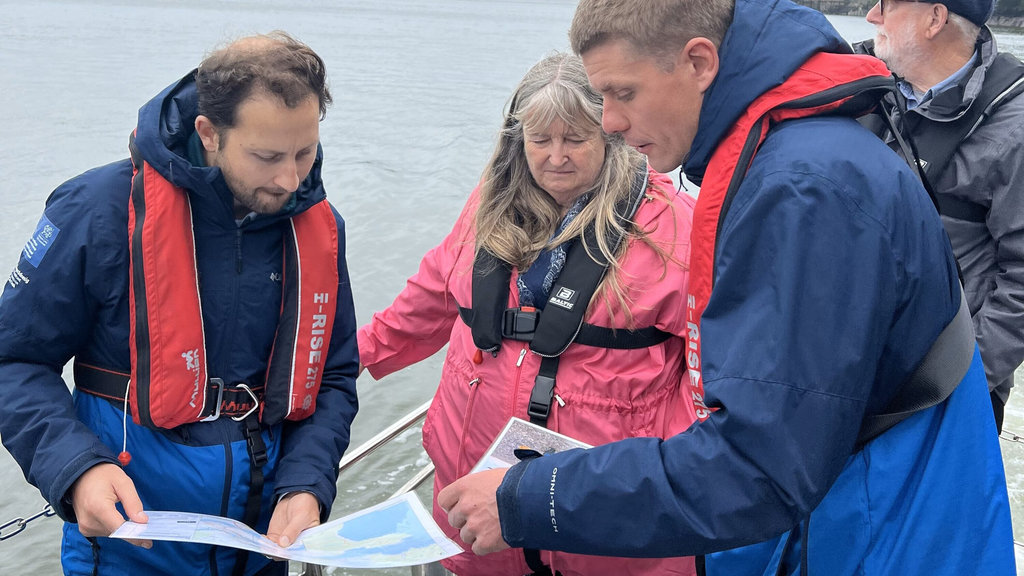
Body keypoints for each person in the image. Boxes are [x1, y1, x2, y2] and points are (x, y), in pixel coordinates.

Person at [437, 1, 1015, 574]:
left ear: (698, 62)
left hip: (881, 536)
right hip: (877, 511)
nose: (609, 122)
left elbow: (761, 467)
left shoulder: (802, 189)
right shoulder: (803, 146)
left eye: (623, 93)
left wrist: (532, 497)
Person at [0, 32, 359, 575]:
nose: (291, 179)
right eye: (267, 156)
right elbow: (14, 360)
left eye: (304, 152)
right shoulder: (96, 210)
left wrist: (307, 483)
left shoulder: (321, 228)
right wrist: (74, 469)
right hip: (128, 544)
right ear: (209, 133)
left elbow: (332, 375)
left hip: (262, 547)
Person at [357, 52, 697, 576]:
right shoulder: (484, 210)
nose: (556, 156)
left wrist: (660, 476)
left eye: (575, 139)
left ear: (609, 134)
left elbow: (712, 375)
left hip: (602, 527)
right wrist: (339, 361)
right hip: (475, 517)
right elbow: (424, 305)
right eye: (540, 140)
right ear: (518, 142)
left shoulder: (673, 230)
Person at [855, 0, 1024, 433]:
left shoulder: (1015, 129)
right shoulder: (866, 92)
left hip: (940, 397)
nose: (872, 16)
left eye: (887, 5)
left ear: (935, 18)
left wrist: (956, 385)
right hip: (856, 375)